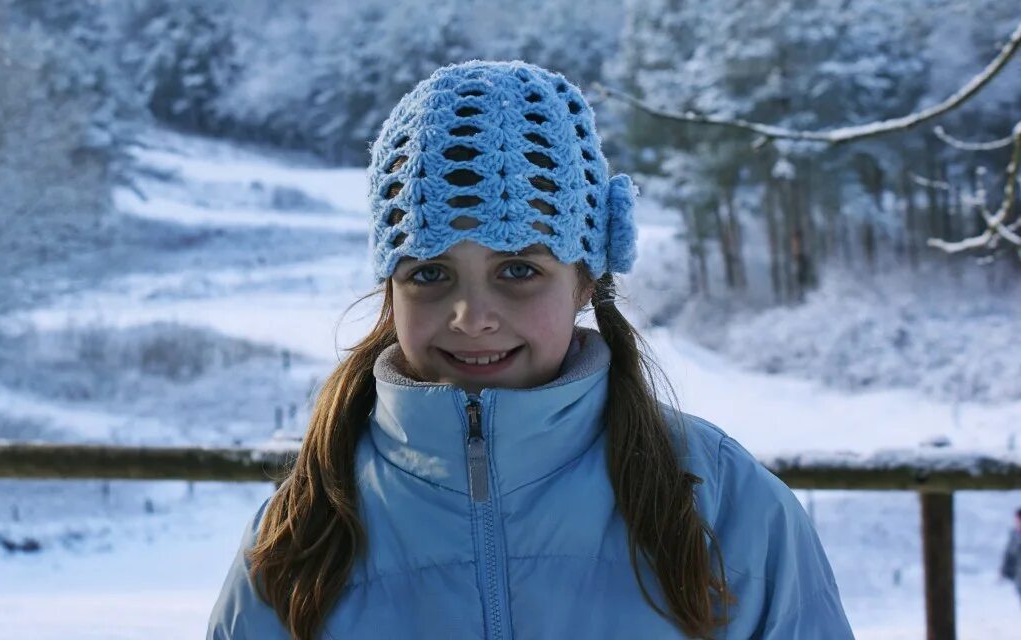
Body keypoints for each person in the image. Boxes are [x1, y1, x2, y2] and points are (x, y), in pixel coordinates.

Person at [207, 60, 854, 639]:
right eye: (429, 274)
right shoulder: (302, 533)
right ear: (391, 287)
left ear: (585, 279)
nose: (471, 317)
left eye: (517, 270)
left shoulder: (726, 506)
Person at [1003, 508, 1021, 605]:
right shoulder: (1014, 534)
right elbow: (1009, 553)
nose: (1017, 522)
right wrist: (1004, 570)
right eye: (1017, 520)